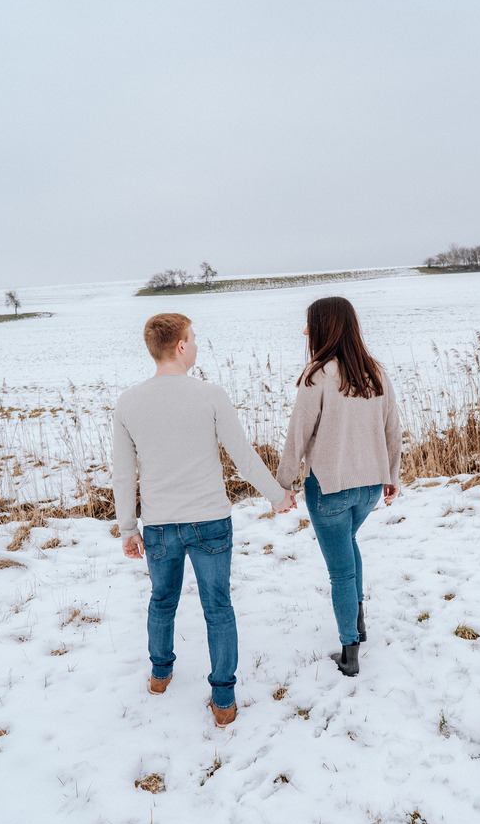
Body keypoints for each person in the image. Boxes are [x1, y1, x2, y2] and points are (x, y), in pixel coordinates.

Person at [112, 313, 295, 728]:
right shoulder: (211, 395)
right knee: (218, 607)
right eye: (192, 338)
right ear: (180, 346)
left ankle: (160, 674)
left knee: (162, 600)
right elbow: (243, 457)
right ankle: (224, 699)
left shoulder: (128, 402)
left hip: (158, 526)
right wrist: (278, 496)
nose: (195, 345)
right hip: (210, 520)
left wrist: (128, 528)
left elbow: (123, 473)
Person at [276, 296, 401, 677]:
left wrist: (281, 486)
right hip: (369, 489)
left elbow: (298, 435)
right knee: (348, 547)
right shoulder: (375, 371)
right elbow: (392, 428)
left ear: (325, 328)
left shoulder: (318, 375)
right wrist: (392, 476)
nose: (304, 332)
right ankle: (358, 623)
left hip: (329, 487)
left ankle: (350, 651)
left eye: (309, 324)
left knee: (340, 571)